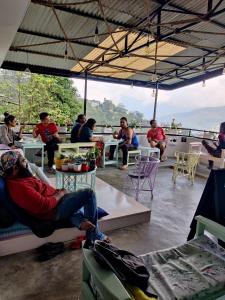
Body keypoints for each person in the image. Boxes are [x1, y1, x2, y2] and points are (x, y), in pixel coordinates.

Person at [0, 151, 109, 244]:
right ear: (15, 168)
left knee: (75, 198)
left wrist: (61, 193)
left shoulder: (20, 176)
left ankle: (79, 221)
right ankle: (94, 235)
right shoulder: (20, 188)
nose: (27, 162)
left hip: (57, 201)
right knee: (88, 193)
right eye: (23, 161)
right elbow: (45, 206)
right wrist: (61, 193)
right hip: (54, 210)